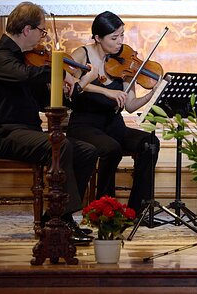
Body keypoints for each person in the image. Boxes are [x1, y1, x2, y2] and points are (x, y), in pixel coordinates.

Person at [0, 2, 99, 245]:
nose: (43, 37)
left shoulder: (24, 60)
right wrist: (58, 72)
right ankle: (60, 220)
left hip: (24, 132)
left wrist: (77, 84)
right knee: (60, 146)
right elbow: (24, 75)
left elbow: (47, 101)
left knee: (87, 150)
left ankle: (57, 216)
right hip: (0, 134)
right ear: (26, 29)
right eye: (42, 31)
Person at [66, 11, 161, 214]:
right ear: (98, 38)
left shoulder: (123, 60)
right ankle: (103, 208)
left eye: (122, 36)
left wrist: (152, 94)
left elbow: (130, 104)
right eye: (114, 37)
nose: (120, 42)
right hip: (84, 125)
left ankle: (137, 209)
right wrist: (105, 91)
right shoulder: (82, 54)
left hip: (113, 125)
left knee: (150, 143)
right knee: (111, 148)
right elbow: (71, 84)